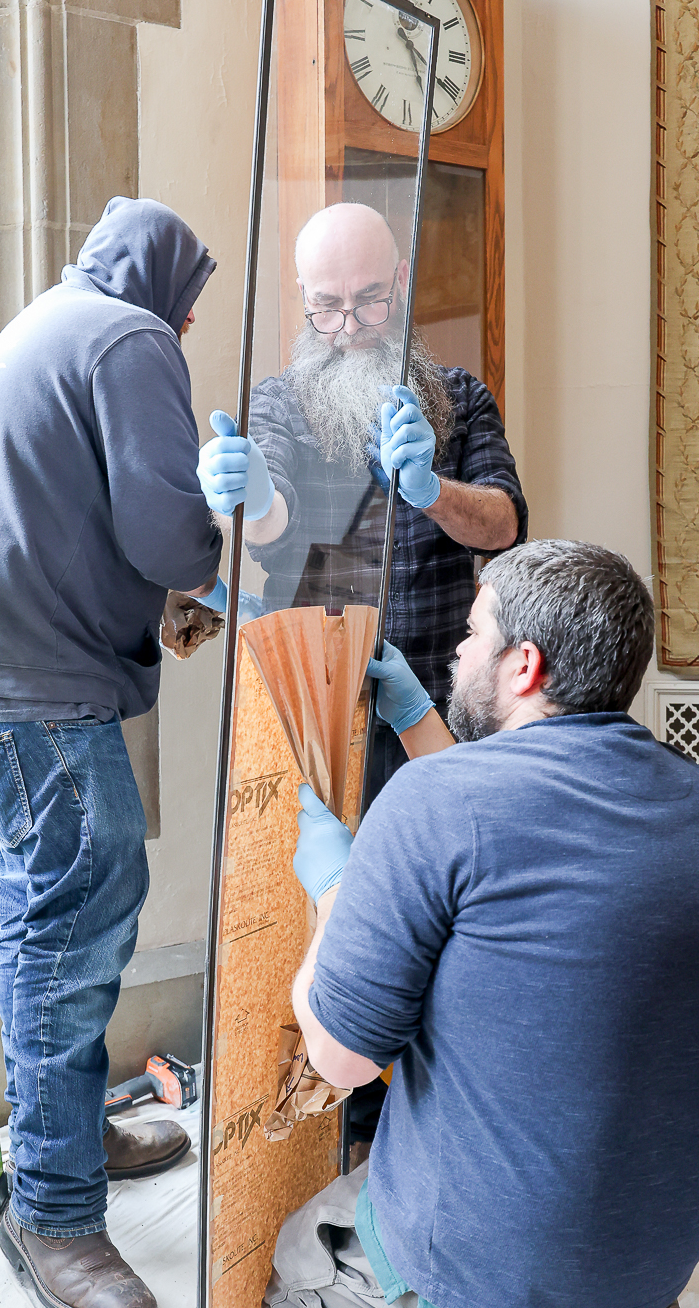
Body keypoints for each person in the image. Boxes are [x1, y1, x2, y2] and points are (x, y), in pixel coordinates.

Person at [0, 197, 222, 1308]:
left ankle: (63, 1145)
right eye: (190, 307)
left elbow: (61, 508)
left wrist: (161, 597)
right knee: (73, 928)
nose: (186, 327)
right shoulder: (131, 337)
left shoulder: (44, 320)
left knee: (50, 921)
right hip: (37, 683)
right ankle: (54, 1215)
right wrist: (217, 540)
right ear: (167, 287)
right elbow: (166, 531)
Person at [268, 539, 699, 1308]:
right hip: (648, 1268)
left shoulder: (430, 804)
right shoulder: (682, 796)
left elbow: (341, 1060)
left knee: (294, 1254)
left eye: (472, 635)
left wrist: (337, 891)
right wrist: (416, 721)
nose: (456, 654)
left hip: (479, 1276)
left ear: (523, 665)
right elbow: (510, 826)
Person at [197, 200, 528, 1139]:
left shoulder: (457, 397)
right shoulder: (281, 400)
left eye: (370, 301)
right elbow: (272, 529)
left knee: (448, 919)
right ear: (302, 297)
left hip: (445, 703)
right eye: (327, 306)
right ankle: (335, 1133)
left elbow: (504, 523)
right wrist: (253, 497)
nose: (348, 326)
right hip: (319, 709)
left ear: (403, 285)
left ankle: (437, 1105)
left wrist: (432, 490)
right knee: (336, 933)